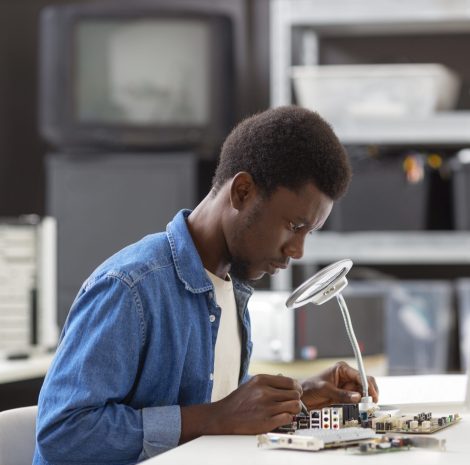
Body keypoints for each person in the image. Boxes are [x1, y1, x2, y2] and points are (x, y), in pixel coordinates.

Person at [33, 106, 379, 465]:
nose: (298, 250)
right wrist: (216, 419)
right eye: (294, 226)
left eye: (310, 233)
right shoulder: (131, 286)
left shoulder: (232, 287)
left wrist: (298, 394)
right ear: (242, 191)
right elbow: (63, 432)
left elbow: (211, 398)